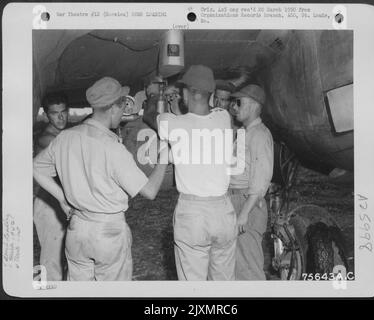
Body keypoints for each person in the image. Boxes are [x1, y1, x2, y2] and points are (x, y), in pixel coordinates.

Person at [33, 77, 168, 281]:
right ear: (114, 108)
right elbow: (149, 191)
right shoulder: (112, 147)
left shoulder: (66, 137)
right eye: (122, 107)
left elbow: (36, 168)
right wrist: (164, 158)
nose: (123, 112)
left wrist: (62, 198)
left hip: (77, 229)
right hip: (108, 232)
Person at [143, 65, 237, 281]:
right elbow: (196, 124)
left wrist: (153, 94)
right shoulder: (224, 119)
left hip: (193, 214)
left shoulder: (171, 124)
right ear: (211, 95)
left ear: (186, 93)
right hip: (223, 211)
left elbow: (150, 116)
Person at [229, 84, 274, 280]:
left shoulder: (260, 135)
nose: (235, 107)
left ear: (255, 105)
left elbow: (260, 179)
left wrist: (244, 214)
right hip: (237, 200)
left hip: (247, 203)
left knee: (249, 270)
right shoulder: (245, 133)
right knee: (238, 267)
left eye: (239, 102)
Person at [33, 92, 69, 281]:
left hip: (60, 199)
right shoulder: (47, 139)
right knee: (50, 263)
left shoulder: (64, 134)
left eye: (64, 111)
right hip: (48, 203)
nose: (61, 117)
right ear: (47, 115)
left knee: (65, 256)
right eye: (55, 113)